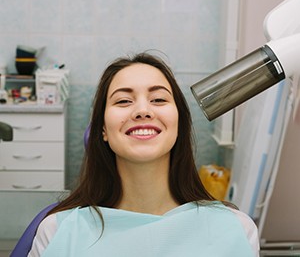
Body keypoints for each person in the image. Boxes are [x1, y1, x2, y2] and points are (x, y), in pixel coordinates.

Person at [28, 52, 259, 256]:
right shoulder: (57, 232)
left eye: (158, 99)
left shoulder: (236, 229)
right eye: (124, 100)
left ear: (178, 124)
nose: (142, 111)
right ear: (103, 130)